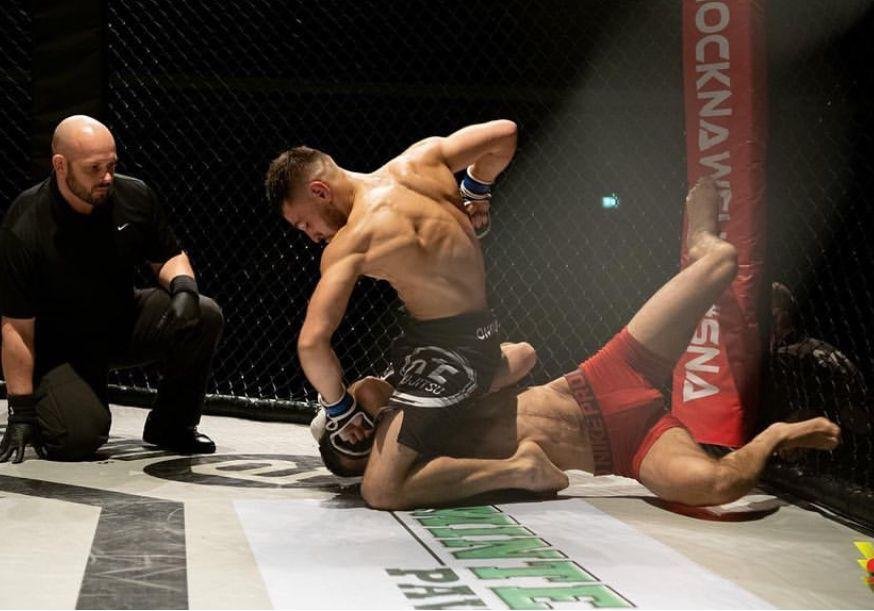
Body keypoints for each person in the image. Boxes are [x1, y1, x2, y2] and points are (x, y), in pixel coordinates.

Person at [310, 178, 841, 510]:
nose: (363, 437)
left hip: (605, 377)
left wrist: (359, 405)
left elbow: (520, 357)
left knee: (722, 261)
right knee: (717, 489)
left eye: (356, 433)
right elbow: (384, 477)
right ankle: (777, 434)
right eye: (359, 448)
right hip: (626, 448)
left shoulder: (423, 393)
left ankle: (700, 239)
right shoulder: (422, 468)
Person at [265, 120, 536, 464]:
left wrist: (339, 409)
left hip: (453, 354)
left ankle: (480, 387)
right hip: (461, 333)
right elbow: (505, 133)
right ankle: (499, 367)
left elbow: (311, 344)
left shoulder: (353, 242)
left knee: (346, 456)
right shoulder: (421, 160)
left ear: (320, 191)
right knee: (364, 393)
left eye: (305, 223)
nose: (311, 236)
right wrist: (476, 190)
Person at [0, 115, 223, 463]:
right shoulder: (25, 224)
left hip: (120, 320)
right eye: (94, 168)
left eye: (112, 165)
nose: (106, 177)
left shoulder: (134, 195)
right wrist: (21, 413)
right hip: (60, 348)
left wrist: (183, 288)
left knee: (204, 313)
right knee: (76, 439)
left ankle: (172, 425)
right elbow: (16, 327)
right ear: (60, 165)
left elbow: (169, 255)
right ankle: (57, 402)